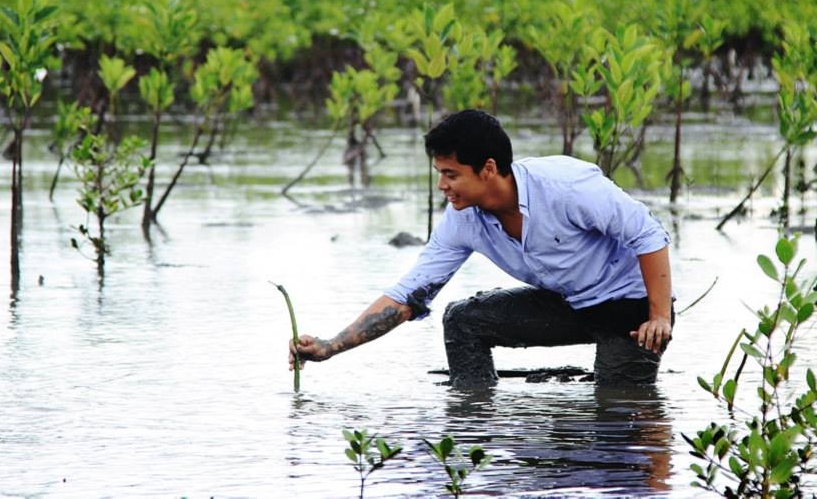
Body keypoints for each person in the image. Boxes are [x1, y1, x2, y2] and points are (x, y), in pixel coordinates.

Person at [289, 109, 674, 387]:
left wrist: (659, 317)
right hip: (570, 303)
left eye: (451, 174)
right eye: (439, 173)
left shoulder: (566, 186)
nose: (442, 185)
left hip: (632, 309)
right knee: (463, 320)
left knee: (618, 422)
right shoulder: (463, 218)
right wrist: (331, 346)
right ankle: (474, 428)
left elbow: (648, 235)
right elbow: (409, 295)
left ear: (488, 169)